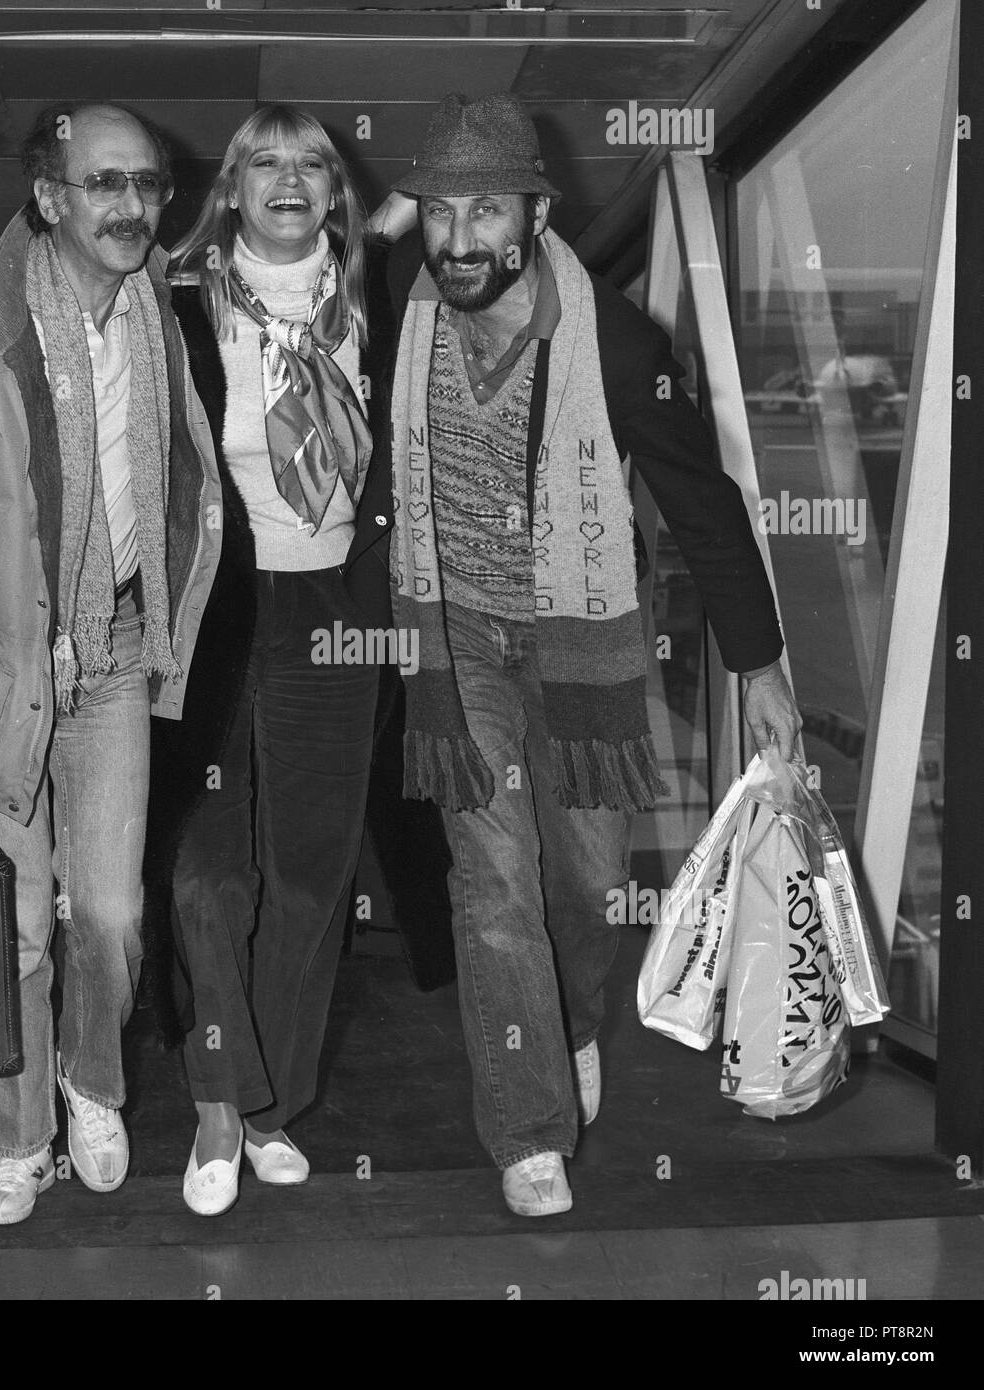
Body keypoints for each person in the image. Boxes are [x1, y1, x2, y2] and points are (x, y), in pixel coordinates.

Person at [378, 93, 801, 1216]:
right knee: (496, 887)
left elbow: (703, 505)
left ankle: (567, 1023)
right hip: (455, 638)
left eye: (485, 210)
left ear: (535, 212)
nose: (458, 238)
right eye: (439, 212)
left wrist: (759, 671)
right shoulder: (399, 311)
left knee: (584, 887)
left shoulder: (615, 341)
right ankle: (526, 1130)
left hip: (579, 650)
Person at [0, 102, 222, 1224]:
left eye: (149, 185)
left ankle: (91, 1081)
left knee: (111, 914)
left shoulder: (158, 316)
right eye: (105, 183)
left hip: (115, 654)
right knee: (15, 926)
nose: (131, 206)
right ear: (49, 198)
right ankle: (18, 1141)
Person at [146, 106, 384, 1216]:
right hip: (214, 610)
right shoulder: (178, 304)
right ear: (233, 189)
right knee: (204, 870)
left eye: (311, 164)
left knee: (309, 872)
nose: (288, 178)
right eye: (264, 163)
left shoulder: (379, 299)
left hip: (336, 606)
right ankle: (213, 1099)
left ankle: (270, 1104)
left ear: (335, 193)